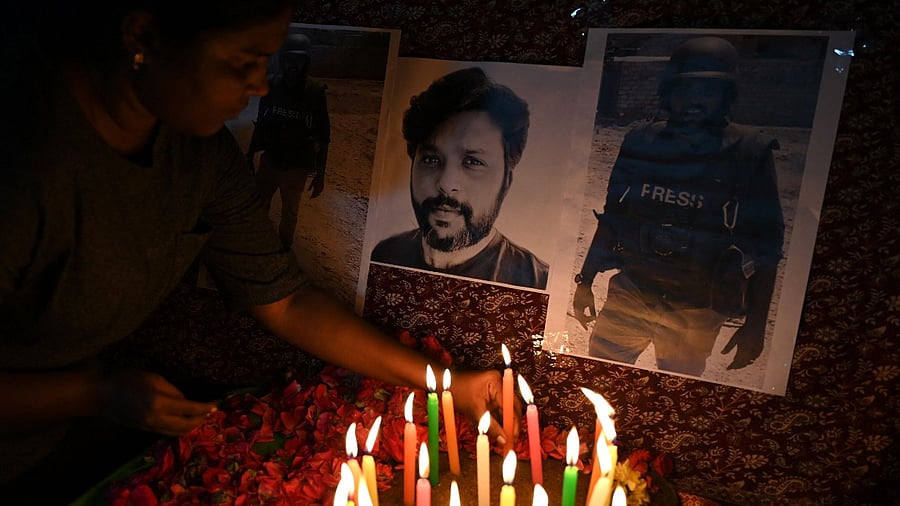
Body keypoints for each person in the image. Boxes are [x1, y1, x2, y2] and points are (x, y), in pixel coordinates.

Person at [0, 2, 512, 502]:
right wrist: (94, 393)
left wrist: (449, 385)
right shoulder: (28, 159)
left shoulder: (197, 153)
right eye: (243, 61)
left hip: (57, 448)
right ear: (142, 37)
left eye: (267, 61)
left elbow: (283, 300)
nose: (261, 86)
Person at [572, 36, 785, 377]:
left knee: (676, 388)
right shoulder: (641, 141)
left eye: (708, 91)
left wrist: (755, 325)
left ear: (727, 96)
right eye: (684, 89)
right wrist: (586, 282)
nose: (693, 101)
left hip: (696, 307)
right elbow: (613, 216)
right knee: (600, 375)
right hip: (633, 291)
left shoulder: (748, 152)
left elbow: (768, 248)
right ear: (668, 93)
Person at [370, 67, 550, 290]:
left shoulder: (535, 281)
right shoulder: (385, 255)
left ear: (506, 182)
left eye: (473, 162)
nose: (446, 184)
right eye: (430, 159)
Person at [246, 31, 330, 249]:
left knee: (289, 214)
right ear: (282, 60)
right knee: (258, 208)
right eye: (289, 59)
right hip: (270, 160)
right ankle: (256, 246)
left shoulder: (314, 92)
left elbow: (324, 135)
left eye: (298, 60)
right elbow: (261, 123)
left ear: (306, 62)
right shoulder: (272, 85)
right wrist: (249, 155)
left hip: (296, 167)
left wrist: (320, 174)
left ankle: (282, 250)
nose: (293, 65)